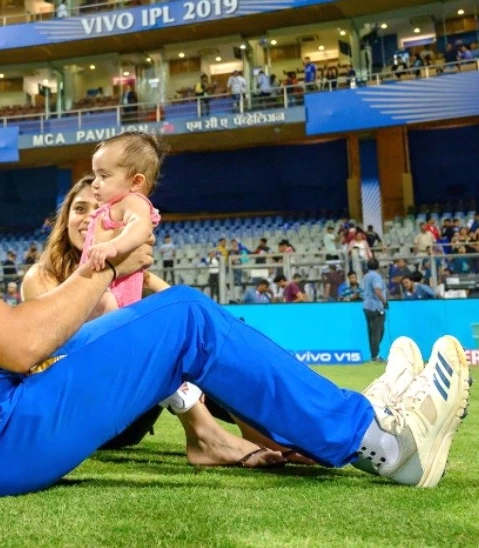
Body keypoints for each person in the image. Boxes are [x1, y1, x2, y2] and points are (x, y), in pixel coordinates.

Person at [0, 104, 470, 497]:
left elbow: (7, 349)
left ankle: (350, 420)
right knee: (184, 317)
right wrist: (107, 266)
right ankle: (382, 443)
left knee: (174, 321)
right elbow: (19, 344)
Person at [23, 175, 286, 467]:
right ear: (65, 219)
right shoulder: (42, 276)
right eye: (80, 209)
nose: (90, 218)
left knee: (198, 337)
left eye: (100, 210)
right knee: (150, 333)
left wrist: (143, 277)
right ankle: (205, 436)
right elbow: (68, 350)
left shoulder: (128, 274)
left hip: (132, 412)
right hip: (80, 414)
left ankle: (259, 430)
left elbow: (191, 315)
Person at [82, 132, 163, 311]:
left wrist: (113, 246)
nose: (95, 183)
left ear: (136, 182)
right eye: (95, 175)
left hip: (116, 296)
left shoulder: (133, 201)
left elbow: (140, 226)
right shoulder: (111, 208)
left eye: (104, 176)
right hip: (98, 290)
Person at [362, 258, 388, 361]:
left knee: (371, 332)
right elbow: (377, 290)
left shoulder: (366, 276)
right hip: (376, 306)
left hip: (367, 306)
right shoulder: (376, 276)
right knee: (378, 331)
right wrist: (384, 301)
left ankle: (373, 354)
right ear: (378, 266)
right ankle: (375, 355)